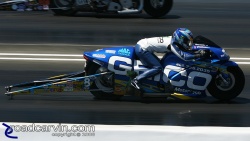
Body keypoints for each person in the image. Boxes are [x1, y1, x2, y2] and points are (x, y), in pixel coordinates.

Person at [131, 28, 209, 90]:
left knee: (160, 65)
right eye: (187, 41)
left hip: (143, 46)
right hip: (142, 48)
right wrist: (198, 55)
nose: (188, 44)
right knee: (158, 68)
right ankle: (136, 80)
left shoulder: (174, 40)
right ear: (180, 38)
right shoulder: (172, 44)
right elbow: (184, 57)